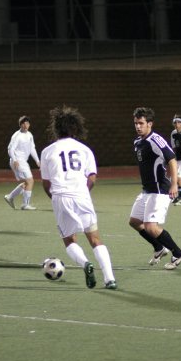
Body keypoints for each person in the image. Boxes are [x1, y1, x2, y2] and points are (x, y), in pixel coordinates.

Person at [40, 105, 117, 290]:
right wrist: (83, 192)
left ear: (56, 128)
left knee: (69, 240)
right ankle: (110, 279)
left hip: (60, 197)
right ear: (75, 128)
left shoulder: (47, 151)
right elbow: (92, 178)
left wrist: (55, 198)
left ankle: (85, 264)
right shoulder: (85, 150)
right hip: (82, 195)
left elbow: (45, 183)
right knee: (95, 239)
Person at [129, 106, 181, 270]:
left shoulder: (156, 140)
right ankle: (159, 248)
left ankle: (178, 253)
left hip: (160, 191)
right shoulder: (138, 142)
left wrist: (174, 183)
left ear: (150, 124)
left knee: (151, 227)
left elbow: (172, 159)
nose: (138, 126)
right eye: (136, 123)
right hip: (146, 191)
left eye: (141, 123)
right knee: (134, 222)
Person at [4, 115, 41, 210]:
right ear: (20, 125)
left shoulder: (29, 135)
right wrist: (15, 159)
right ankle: (25, 204)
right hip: (18, 161)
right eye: (24, 123)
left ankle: (10, 197)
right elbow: (10, 149)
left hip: (23, 161)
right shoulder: (17, 136)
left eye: (27, 123)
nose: (26, 125)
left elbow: (32, 148)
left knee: (27, 182)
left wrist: (37, 160)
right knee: (30, 181)